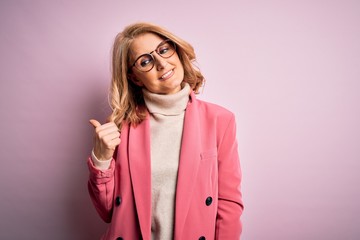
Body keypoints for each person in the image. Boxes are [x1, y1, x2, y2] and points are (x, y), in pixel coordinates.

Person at [87, 22, 244, 240]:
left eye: (163, 50)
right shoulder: (120, 126)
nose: (162, 63)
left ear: (176, 51)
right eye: (145, 61)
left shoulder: (220, 120)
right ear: (133, 77)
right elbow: (108, 213)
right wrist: (101, 159)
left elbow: (228, 204)